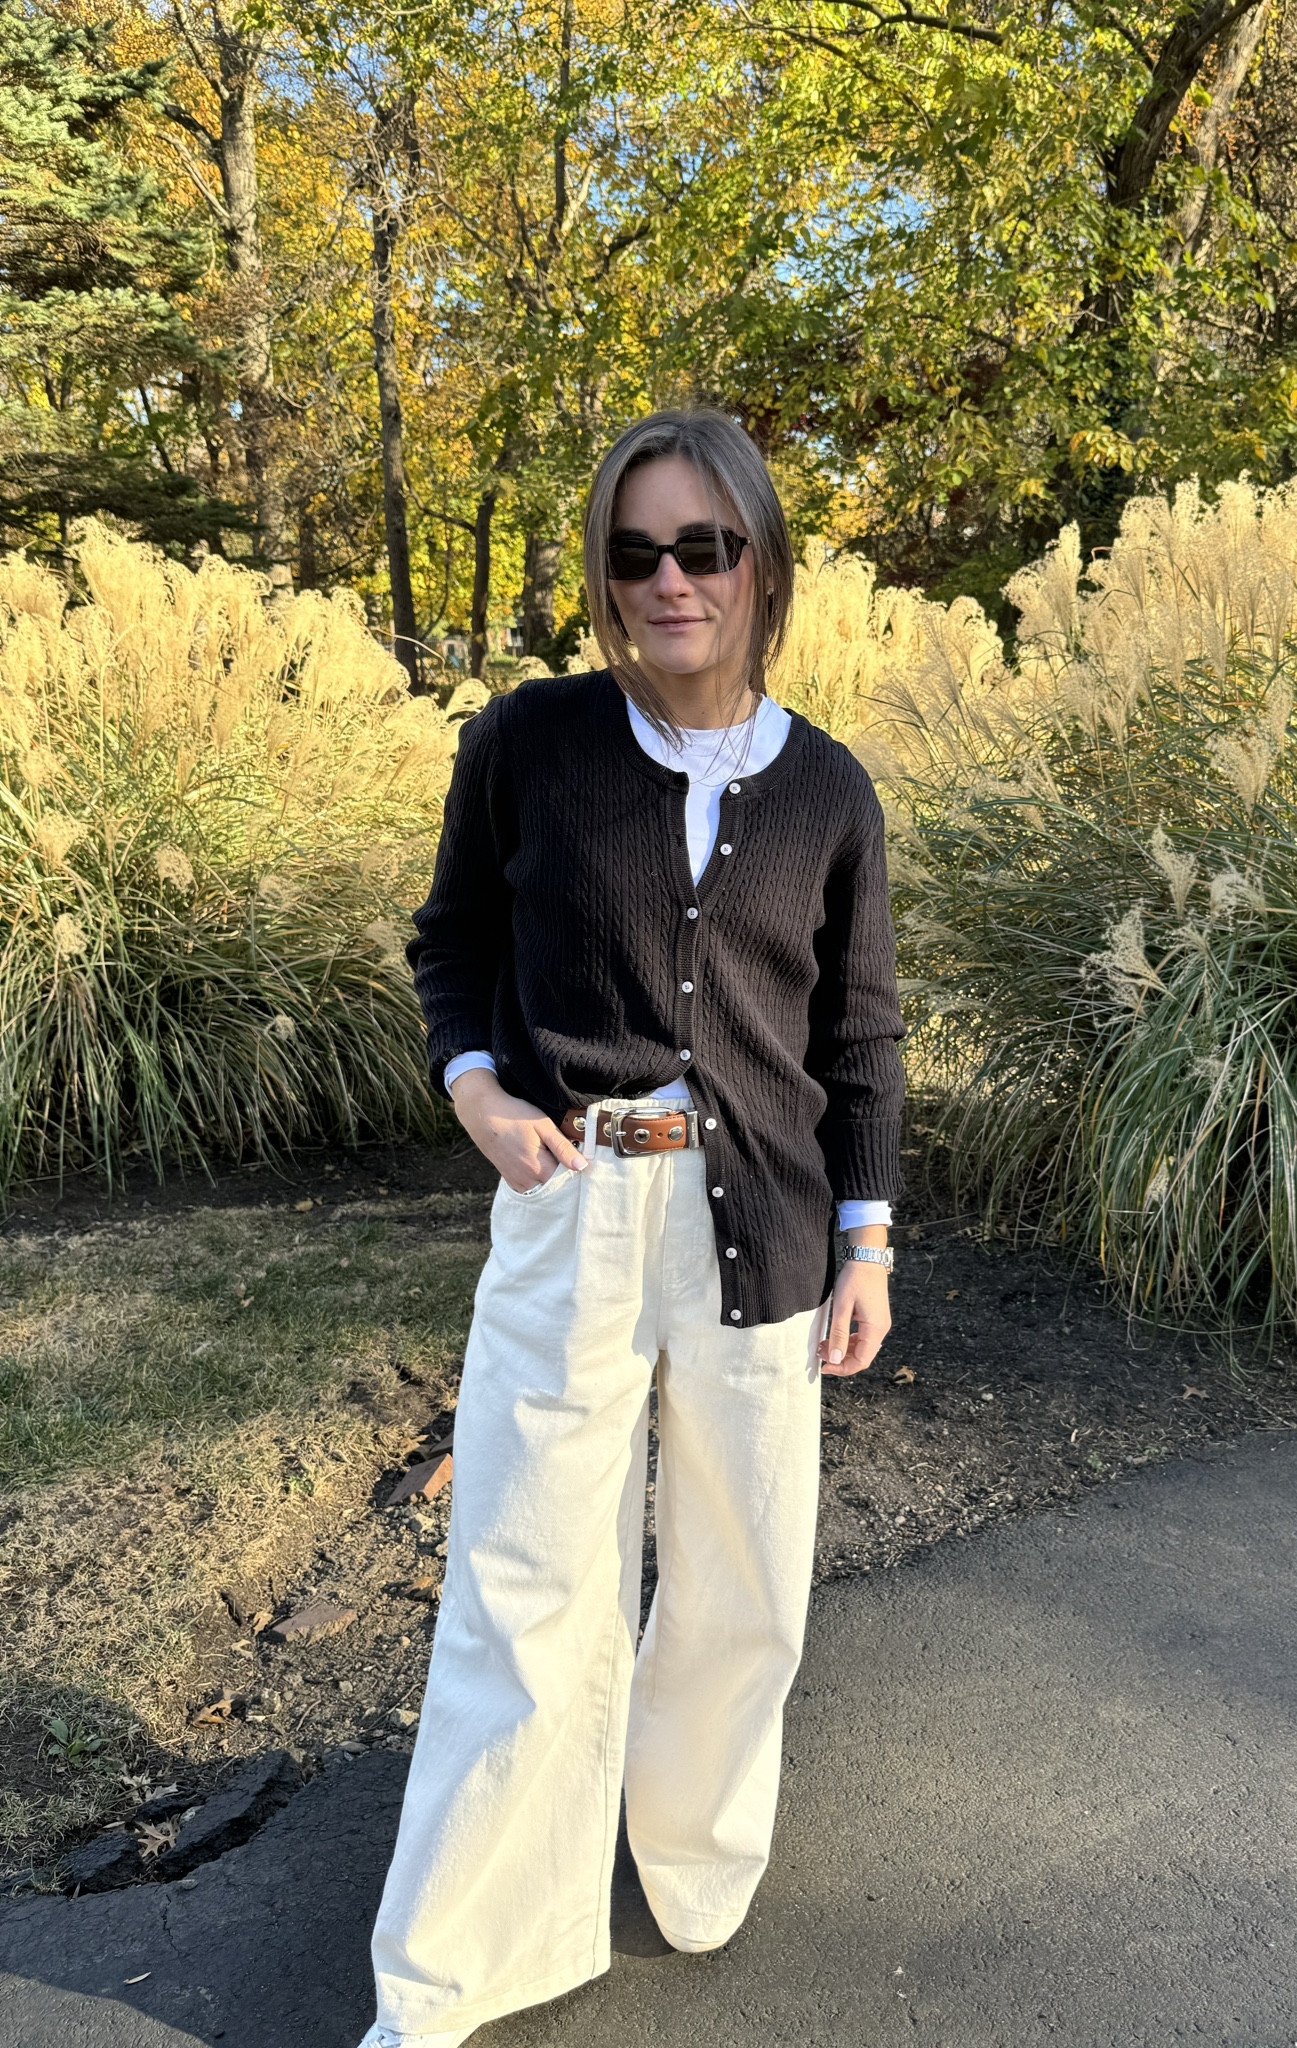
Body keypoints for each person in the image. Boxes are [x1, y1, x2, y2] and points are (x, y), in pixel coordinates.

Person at [356, 408, 905, 2048]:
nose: (669, 580)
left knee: (743, 1574)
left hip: (765, 1223)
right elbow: (449, 938)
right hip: (572, 1200)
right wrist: (472, 1087)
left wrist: (868, 1241)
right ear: (602, 573)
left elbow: (858, 1034)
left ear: (758, 565)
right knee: (524, 1570)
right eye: (634, 550)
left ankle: (689, 1856)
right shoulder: (529, 741)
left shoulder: (825, 788)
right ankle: (457, 1963)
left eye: (704, 547)